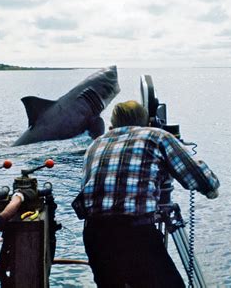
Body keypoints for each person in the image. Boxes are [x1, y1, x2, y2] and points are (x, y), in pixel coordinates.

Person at [75, 100, 220, 287]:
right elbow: (204, 180)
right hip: (135, 233)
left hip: (95, 235)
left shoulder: (95, 145)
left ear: (111, 127)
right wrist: (211, 190)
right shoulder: (156, 136)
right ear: (147, 123)